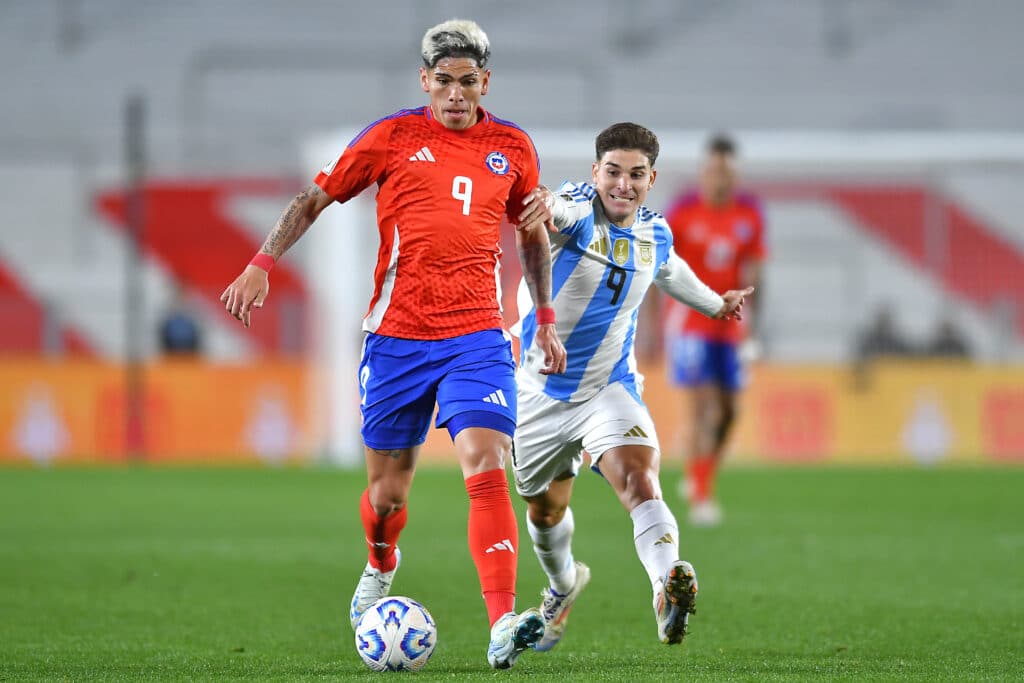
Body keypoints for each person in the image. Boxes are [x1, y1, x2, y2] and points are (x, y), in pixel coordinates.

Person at [219, 19, 566, 670]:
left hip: (477, 335)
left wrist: (544, 315)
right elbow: (313, 197)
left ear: (485, 82)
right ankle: (382, 559)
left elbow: (530, 232)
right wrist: (260, 263)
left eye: (468, 82)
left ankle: (501, 622)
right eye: (444, 81)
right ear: (425, 81)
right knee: (388, 495)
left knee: (484, 460)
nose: (456, 94)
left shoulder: (514, 148)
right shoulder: (392, 137)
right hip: (397, 338)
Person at [510, 123, 752, 651]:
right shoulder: (576, 209)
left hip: (609, 389)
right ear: (595, 172)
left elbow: (670, 269)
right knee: (544, 511)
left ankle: (666, 589)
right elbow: (561, 209)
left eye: (636, 175)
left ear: (652, 178)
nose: (623, 185)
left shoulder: (654, 232)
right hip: (539, 394)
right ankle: (562, 586)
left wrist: (717, 304)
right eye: (613, 172)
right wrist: (545, 202)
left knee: (640, 479)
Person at [662, 133, 766, 526]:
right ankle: (702, 495)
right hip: (691, 322)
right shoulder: (684, 213)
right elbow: (661, 265)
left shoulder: (748, 216)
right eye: (713, 171)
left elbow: (755, 271)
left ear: (733, 174)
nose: (719, 179)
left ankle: (698, 473)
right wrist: (653, 326)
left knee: (728, 413)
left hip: (732, 326)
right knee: (704, 407)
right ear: (704, 172)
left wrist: (754, 326)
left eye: (726, 172)